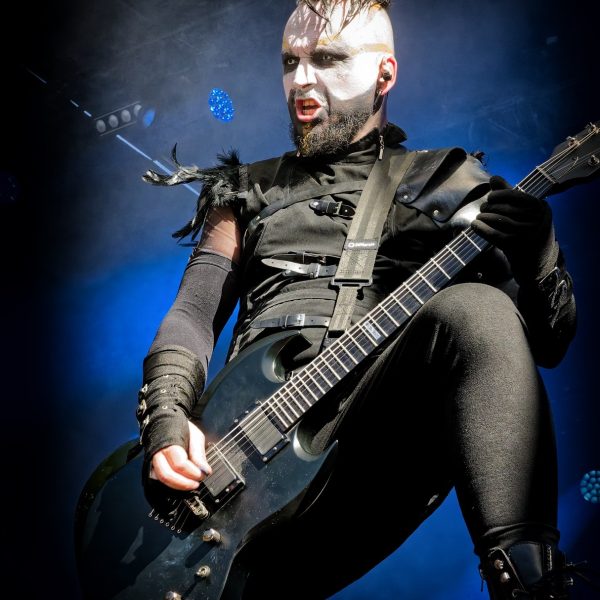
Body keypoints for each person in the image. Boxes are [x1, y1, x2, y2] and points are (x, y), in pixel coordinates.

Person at [137, 1, 584, 597]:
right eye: (290, 61)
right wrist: (167, 420)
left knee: (475, 309)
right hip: (244, 462)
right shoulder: (245, 192)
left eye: (327, 59)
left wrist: (540, 254)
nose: (301, 79)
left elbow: (548, 344)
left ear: (384, 74)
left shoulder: (444, 183)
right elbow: (193, 313)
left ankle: (532, 584)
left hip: (369, 448)